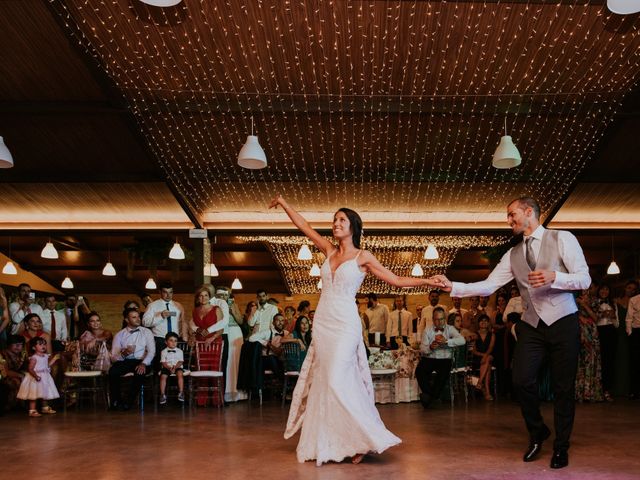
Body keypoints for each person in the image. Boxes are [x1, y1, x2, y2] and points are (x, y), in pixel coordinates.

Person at [271, 194, 439, 465]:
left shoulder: (363, 256)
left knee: (337, 378)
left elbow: (395, 280)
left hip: (346, 324)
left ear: (353, 226)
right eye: (334, 220)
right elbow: (304, 227)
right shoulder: (328, 249)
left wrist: (428, 281)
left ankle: (364, 438)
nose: (335, 223)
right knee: (327, 382)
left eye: (341, 220)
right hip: (323, 323)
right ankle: (338, 442)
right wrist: (284, 203)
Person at [432, 196, 591, 469]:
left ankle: (561, 447)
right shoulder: (513, 254)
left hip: (563, 320)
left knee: (563, 388)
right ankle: (538, 431)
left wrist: (556, 277)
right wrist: (453, 286)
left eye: (512, 214)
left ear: (529, 212)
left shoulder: (562, 238)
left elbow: (584, 278)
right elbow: (488, 286)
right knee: (520, 380)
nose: (509, 220)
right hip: (532, 323)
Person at [415, 307, 465, 408]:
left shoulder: (450, 329)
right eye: (437, 319)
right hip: (430, 357)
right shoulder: (427, 331)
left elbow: (462, 340)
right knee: (419, 371)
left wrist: (447, 342)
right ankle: (432, 396)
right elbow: (422, 349)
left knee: (442, 374)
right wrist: (430, 347)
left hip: (445, 359)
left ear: (445, 318)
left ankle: (428, 398)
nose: (440, 322)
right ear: (433, 319)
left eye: (442, 319)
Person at [108, 307, 155, 411]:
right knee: (112, 372)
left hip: (141, 360)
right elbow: (114, 357)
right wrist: (124, 354)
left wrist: (144, 363)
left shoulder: (147, 332)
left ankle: (129, 402)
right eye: (134, 317)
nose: (138, 319)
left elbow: (152, 351)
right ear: (126, 320)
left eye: (138, 317)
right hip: (125, 360)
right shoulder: (119, 335)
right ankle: (116, 401)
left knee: (140, 372)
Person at [142, 283, 186, 369]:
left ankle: (173, 382)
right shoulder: (152, 306)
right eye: (165, 292)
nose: (168, 295)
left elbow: (183, 322)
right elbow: (144, 322)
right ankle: (158, 382)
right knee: (160, 366)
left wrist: (184, 337)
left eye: (170, 292)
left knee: (176, 365)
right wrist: (161, 316)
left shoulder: (178, 306)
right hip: (160, 340)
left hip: (175, 340)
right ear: (160, 292)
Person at [17, 337, 60, 417]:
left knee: (44, 393)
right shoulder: (34, 358)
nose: (43, 346)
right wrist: (36, 376)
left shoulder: (45, 356)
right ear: (34, 347)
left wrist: (54, 359)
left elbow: (46, 366)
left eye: (44, 344)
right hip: (36, 377)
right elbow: (30, 369)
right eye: (40, 344)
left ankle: (45, 407)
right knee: (34, 394)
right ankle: (32, 410)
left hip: (45, 377)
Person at [575, 290, 604, 402]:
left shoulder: (595, 301)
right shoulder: (573, 300)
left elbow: (597, 318)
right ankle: (579, 393)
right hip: (578, 331)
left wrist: (584, 305)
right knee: (579, 360)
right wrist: (579, 317)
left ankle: (590, 393)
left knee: (592, 360)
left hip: (591, 332)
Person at [592, 284, 618, 402]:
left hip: (611, 331)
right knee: (599, 361)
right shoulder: (594, 302)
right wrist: (602, 314)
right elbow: (593, 318)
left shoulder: (613, 303)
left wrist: (612, 317)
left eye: (607, 289)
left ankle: (608, 391)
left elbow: (617, 323)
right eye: (602, 289)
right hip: (598, 332)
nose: (604, 291)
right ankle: (598, 391)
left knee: (609, 361)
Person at [0, 335, 27, 411]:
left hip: (16, 375)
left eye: (20, 344)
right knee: (16, 381)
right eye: (15, 344)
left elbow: (26, 368)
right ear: (9, 344)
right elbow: (6, 371)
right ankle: (9, 406)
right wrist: (21, 376)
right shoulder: (2, 354)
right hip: (3, 376)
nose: (18, 346)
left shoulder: (22, 354)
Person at [472, 314, 496, 401]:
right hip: (478, 358)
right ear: (478, 323)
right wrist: (483, 356)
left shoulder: (492, 335)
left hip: (488, 355)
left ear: (488, 323)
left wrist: (485, 356)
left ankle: (479, 382)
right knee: (488, 364)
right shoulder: (475, 334)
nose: (483, 322)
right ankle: (487, 392)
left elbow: (491, 348)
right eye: (481, 321)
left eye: (485, 321)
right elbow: (474, 350)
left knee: (489, 358)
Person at [159, 332, 185, 405]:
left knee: (180, 374)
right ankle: (162, 394)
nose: (173, 343)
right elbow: (163, 362)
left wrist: (175, 367)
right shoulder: (163, 351)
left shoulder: (180, 351)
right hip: (167, 367)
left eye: (175, 341)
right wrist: (169, 368)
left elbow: (180, 361)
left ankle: (181, 392)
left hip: (177, 366)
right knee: (163, 377)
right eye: (171, 340)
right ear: (166, 342)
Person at [626, 292, 640, 400]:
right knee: (636, 362)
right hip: (637, 332)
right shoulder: (634, 299)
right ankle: (635, 391)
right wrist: (630, 333)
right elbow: (629, 317)